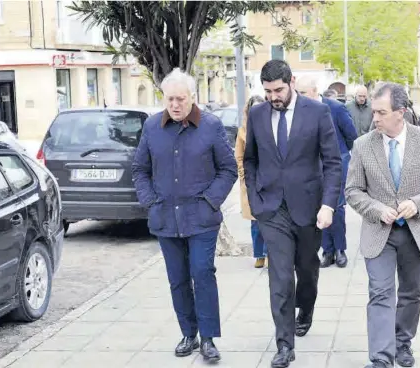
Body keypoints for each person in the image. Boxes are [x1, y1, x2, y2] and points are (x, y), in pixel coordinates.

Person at [132, 68, 238, 363]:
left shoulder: (211, 126)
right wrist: (150, 202)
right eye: (170, 99)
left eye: (181, 98)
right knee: (177, 279)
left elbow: (228, 169)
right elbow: (140, 169)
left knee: (202, 273)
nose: (175, 105)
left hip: (201, 218)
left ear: (193, 97)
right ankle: (188, 334)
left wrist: (210, 201)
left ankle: (208, 338)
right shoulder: (153, 127)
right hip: (165, 217)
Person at [345, 82, 420, 368]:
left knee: (410, 292)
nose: (374, 118)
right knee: (380, 292)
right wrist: (377, 209)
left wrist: (418, 203)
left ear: (400, 113)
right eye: (373, 111)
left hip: (416, 232)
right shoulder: (362, 146)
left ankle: (402, 342)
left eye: (381, 112)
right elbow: (353, 191)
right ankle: (381, 358)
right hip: (378, 232)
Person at [243, 60, 342, 368]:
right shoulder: (257, 114)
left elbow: (333, 163)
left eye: (279, 89)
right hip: (272, 210)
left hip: (310, 209)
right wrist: (255, 198)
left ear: (292, 81)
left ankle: (307, 309)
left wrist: (328, 205)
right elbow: (250, 160)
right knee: (281, 277)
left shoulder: (317, 112)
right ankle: (285, 344)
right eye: (268, 91)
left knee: (307, 271)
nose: (273, 96)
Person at [296, 76, 357, 268]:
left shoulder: (336, 108)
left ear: (315, 90)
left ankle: (340, 249)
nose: (300, 97)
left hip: (335, 166)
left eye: (303, 93)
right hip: (312, 168)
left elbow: (351, 136)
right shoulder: (300, 111)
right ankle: (327, 251)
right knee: (318, 209)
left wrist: (341, 158)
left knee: (336, 208)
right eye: (298, 93)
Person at [234, 95, 267, 268]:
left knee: (270, 218)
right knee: (256, 221)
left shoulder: (271, 125)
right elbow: (239, 156)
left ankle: (271, 253)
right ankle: (259, 254)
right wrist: (244, 175)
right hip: (251, 180)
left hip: (269, 179)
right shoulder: (243, 131)